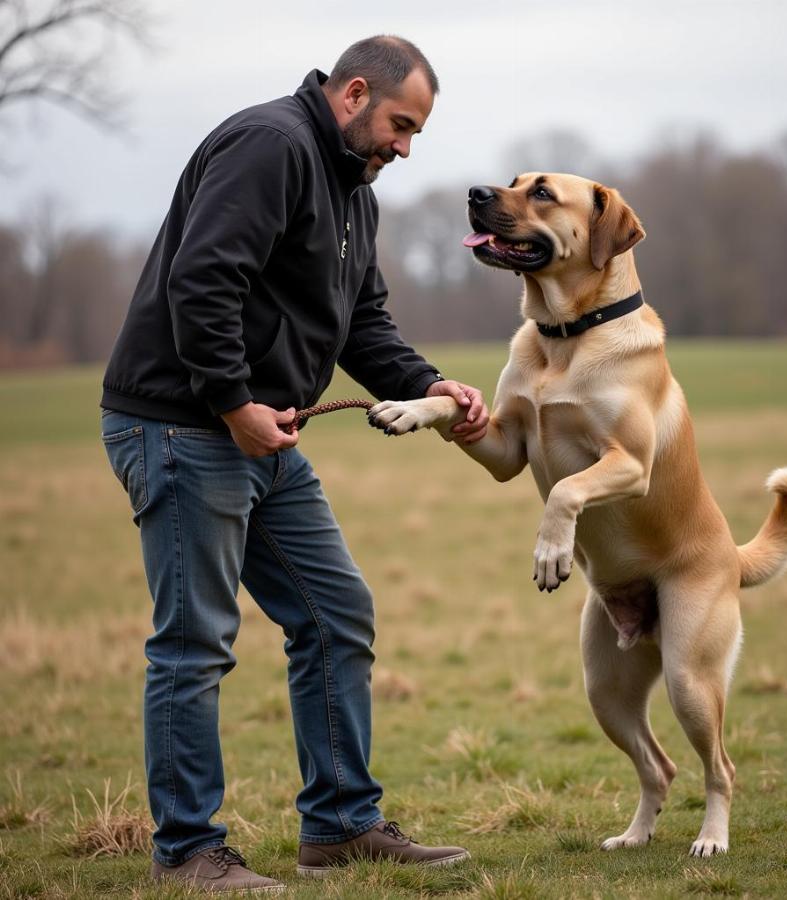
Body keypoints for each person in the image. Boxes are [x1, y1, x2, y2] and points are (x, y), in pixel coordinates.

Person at [100, 35, 487, 893]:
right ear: (352, 93)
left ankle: (342, 827)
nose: (405, 147)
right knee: (196, 643)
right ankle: (187, 852)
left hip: (263, 434)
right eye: (400, 124)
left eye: (417, 132)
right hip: (181, 424)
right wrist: (232, 402)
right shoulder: (270, 146)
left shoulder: (355, 193)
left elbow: (362, 324)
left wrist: (428, 385)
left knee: (336, 613)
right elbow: (202, 280)